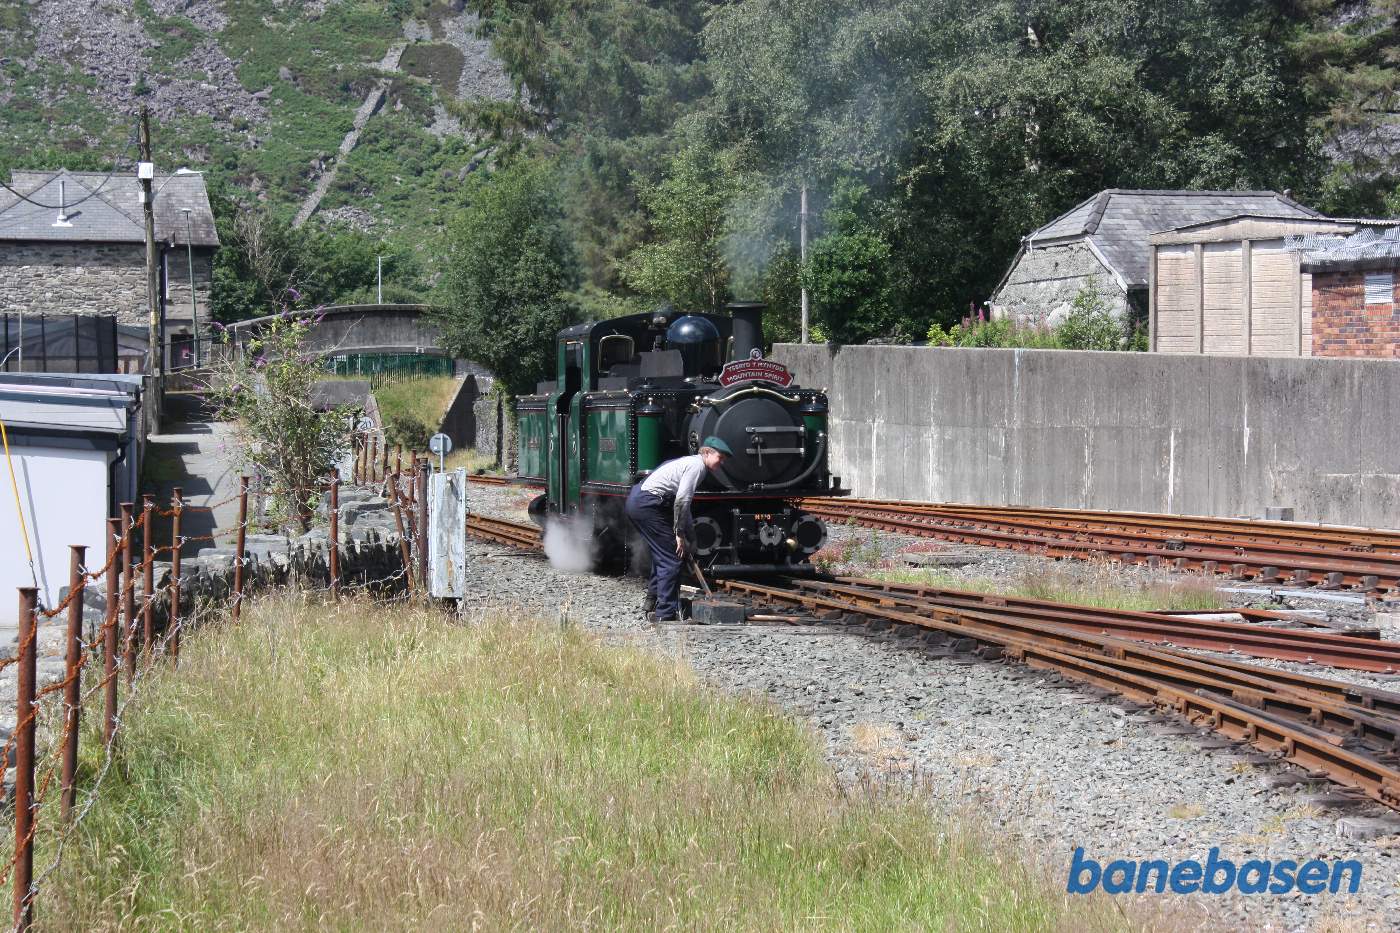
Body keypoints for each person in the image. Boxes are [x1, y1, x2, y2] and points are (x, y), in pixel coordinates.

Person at [625, 437, 733, 622]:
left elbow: (685, 507)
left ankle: (652, 602)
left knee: (664, 553)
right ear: (706, 452)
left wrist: (691, 537)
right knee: (671, 557)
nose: (722, 462)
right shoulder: (697, 467)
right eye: (720, 457)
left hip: (641, 500)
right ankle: (665, 614)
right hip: (648, 504)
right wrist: (680, 534)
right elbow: (682, 501)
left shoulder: (688, 462)